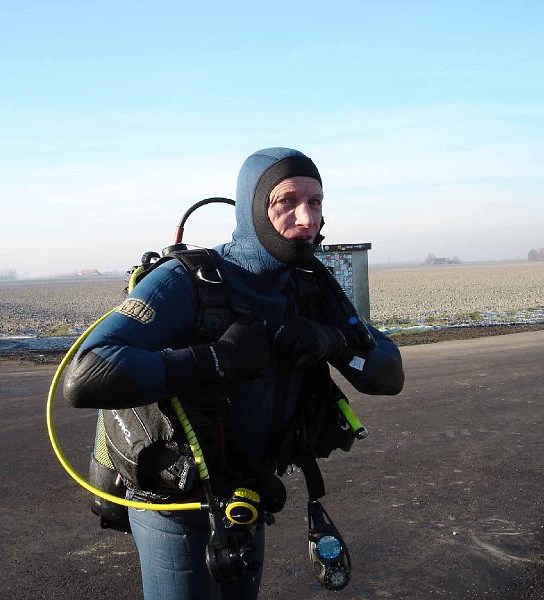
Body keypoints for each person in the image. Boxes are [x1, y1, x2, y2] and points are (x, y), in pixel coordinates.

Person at [64, 147, 405, 600]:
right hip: (175, 505)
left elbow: (388, 376)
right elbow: (86, 374)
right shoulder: (188, 281)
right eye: (286, 202)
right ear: (253, 208)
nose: (307, 219)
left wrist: (333, 340)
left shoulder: (308, 285)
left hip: (245, 497)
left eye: (316, 202)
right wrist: (216, 358)